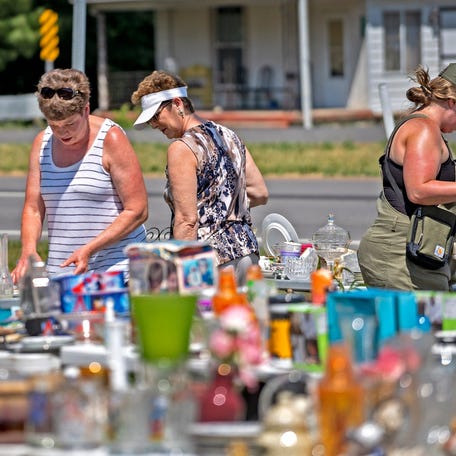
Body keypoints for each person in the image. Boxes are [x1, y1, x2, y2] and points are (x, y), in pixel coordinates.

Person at [131, 70, 268, 285]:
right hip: (247, 255)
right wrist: (226, 207)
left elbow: (187, 220)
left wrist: (175, 272)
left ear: (177, 104)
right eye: (150, 122)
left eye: (156, 116)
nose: (154, 125)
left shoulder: (181, 148)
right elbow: (260, 193)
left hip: (209, 263)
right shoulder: (228, 135)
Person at [12, 68, 148, 283]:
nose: (62, 132)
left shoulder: (110, 139)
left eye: (69, 124)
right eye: (53, 125)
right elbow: (33, 209)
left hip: (117, 272)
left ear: (85, 111)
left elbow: (137, 210)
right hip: (64, 273)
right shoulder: (42, 143)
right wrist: (28, 251)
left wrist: (90, 249)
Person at [358, 63, 456, 290]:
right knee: (413, 325)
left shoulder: (425, 127)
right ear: (452, 102)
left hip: (416, 250)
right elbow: (419, 190)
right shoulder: (423, 129)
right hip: (398, 256)